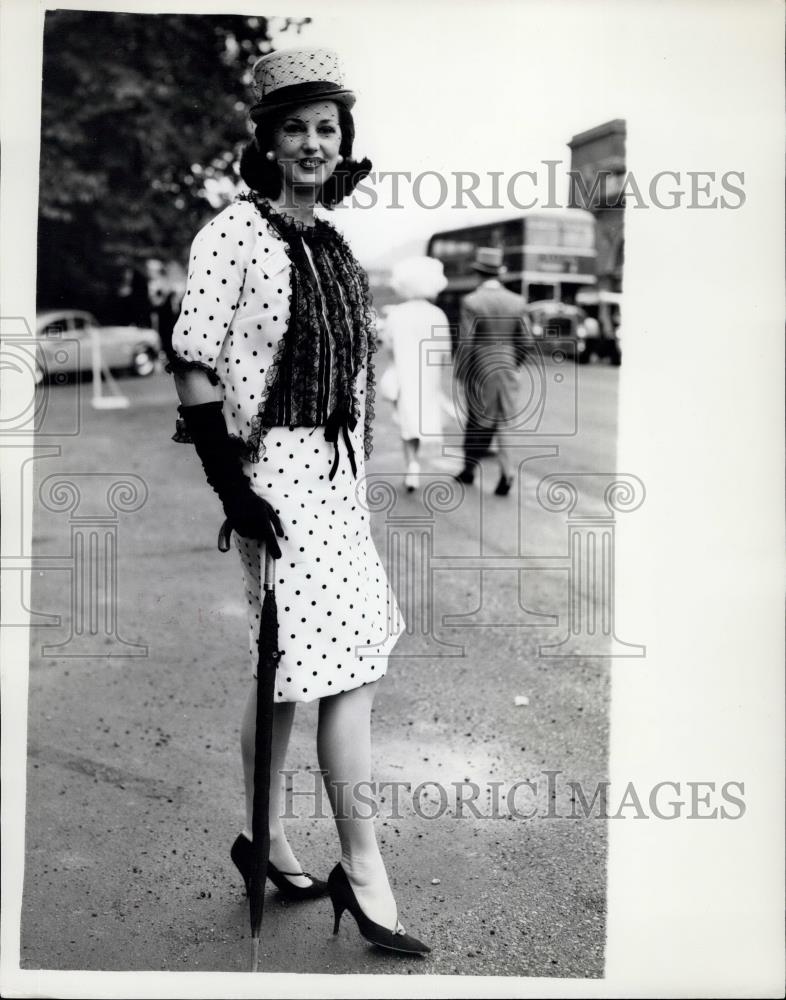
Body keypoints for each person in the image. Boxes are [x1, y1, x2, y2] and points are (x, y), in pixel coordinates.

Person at [167, 47, 430, 957]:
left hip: (334, 476)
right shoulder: (235, 231)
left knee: (281, 666)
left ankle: (268, 842)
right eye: (296, 127)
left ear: (342, 140)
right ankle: (363, 869)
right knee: (342, 672)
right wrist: (230, 487)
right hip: (272, 480)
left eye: (328, 128)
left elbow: (345, 377)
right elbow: (194, 355)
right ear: (268, 141)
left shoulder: (330, 239)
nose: (313, 143)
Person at [453, 246, 529, 496]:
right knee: (504, 421)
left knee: (476, 419)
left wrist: (461, 374)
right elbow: (526, 341)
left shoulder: (472, 301)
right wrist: (512, 362)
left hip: (480, 368)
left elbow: (466, 342)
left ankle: (468, 470)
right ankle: (507, 472)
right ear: (499, 274)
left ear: (478, 274)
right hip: (506, 368)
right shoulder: (517, 302)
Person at [384, 256, 449, 491]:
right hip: (428, 376)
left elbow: (388, 345)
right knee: (421, 420)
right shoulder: (437, 314)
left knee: (406, 421)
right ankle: (414, 462)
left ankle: (411, 464)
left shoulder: (396, 313)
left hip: (403, 373)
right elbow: (444, 352)